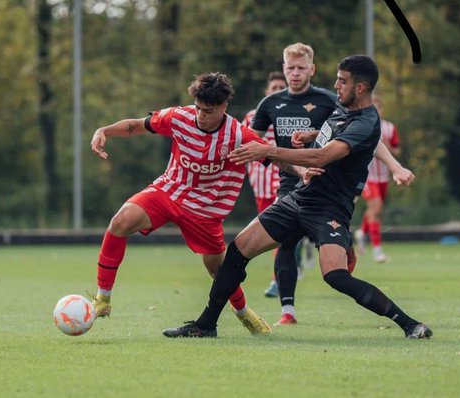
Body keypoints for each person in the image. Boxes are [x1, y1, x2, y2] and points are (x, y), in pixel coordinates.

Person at [163, 55, 432, 339]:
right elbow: (333, 136)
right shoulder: (343, 106)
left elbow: (322, 156)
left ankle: (409, 323)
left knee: (336, 276)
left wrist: (268, 151)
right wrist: (313, 133)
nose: (336, 84)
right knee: (237, 251)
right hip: (298, 197)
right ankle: (206, 325)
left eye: (342, 80)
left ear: (361, 88)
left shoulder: (366, 122)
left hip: (329, 208)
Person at [89, 72, 271, 335]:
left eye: (208, 111)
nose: (200, 115)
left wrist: (303, 170)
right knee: (120, 221)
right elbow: (136, 125)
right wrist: (103, 130)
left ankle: (244, 313)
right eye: (198, 108)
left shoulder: (239, 135)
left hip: (206, 211)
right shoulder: (178, 117)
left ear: (223, 107)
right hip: (169, 192)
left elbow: (273, 156)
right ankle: (102, 299)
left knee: (219, 271)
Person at [249, 43, 342, 326]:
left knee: (331, 247)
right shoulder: (269, 104)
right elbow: (254, 144)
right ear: (284, 68)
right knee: (285, 241)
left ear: (312, 69)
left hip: (328, 183)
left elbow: (348, 135)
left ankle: (343, 245)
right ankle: (287, 311)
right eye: (290, 68)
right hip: (289, 182)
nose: (295, 73)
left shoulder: (329, 100)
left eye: (301, 68)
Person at [241, 71, 287, 299]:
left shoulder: (291, 115)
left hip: (285, 184)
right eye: (274, 88)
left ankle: (276, 281)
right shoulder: (251, 117)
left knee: (280, 235)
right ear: (267, 92)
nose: (278, 91)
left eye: (282, 88)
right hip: (260, 186)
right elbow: (239, 144)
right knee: (271, 236)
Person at [354, 95, 401, 263]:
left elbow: (397, 151)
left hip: (383, 177)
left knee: (376, 210)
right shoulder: (361, 126)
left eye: (377, 107)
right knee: (376, 206)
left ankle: (361, 232)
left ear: (381, 109)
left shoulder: (389, 128)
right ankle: (377, 250)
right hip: (366, 176)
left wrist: (388, 149)